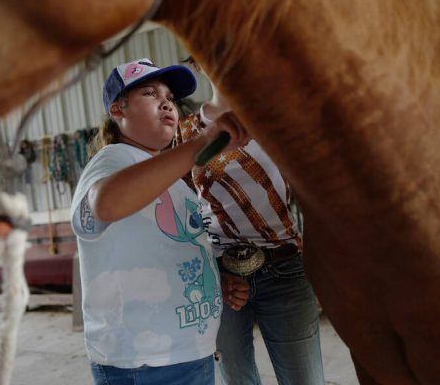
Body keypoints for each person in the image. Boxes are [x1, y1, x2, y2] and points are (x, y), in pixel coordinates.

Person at [70, 58, 250, 385]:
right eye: (150, 93)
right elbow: (103, 205)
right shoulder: (113, 160)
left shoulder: (167, 177)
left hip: (187, 353)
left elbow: (164, 248)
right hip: (144, 363)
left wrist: (213, 281)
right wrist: (199, 145)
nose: (167, 103)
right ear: (118, 110)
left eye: (170, 97)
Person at [177, 58, 325, 385]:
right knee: (236, 380)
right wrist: (210, 274)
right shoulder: (185, 131)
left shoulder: (280, 118)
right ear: (199, 63)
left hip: (286, 265)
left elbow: (316, 190)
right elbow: (182, 211)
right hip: (220, 275)